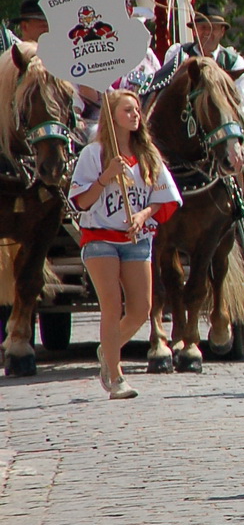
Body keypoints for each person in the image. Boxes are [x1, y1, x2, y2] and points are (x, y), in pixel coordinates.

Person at [70, 90, 182, 396]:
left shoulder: (148, 154)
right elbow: (81, 200)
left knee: (140, 309)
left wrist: (144, 214)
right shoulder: (93, 154)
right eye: (128, 110)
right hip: (100, 238)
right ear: (112, 116)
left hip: (136, 238)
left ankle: (108, 350)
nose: (135, 115)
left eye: (137, 110)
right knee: (111, 304)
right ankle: (115, 376)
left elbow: (162, 198)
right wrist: (107, 176)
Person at [156, 4, 244, 105]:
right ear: (194, 31)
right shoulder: (178, 54)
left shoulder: (234, 63)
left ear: (222, 31)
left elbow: (240, 101)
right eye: (203, 27)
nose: (207, 32)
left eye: (213, 28)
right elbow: (167, 91)